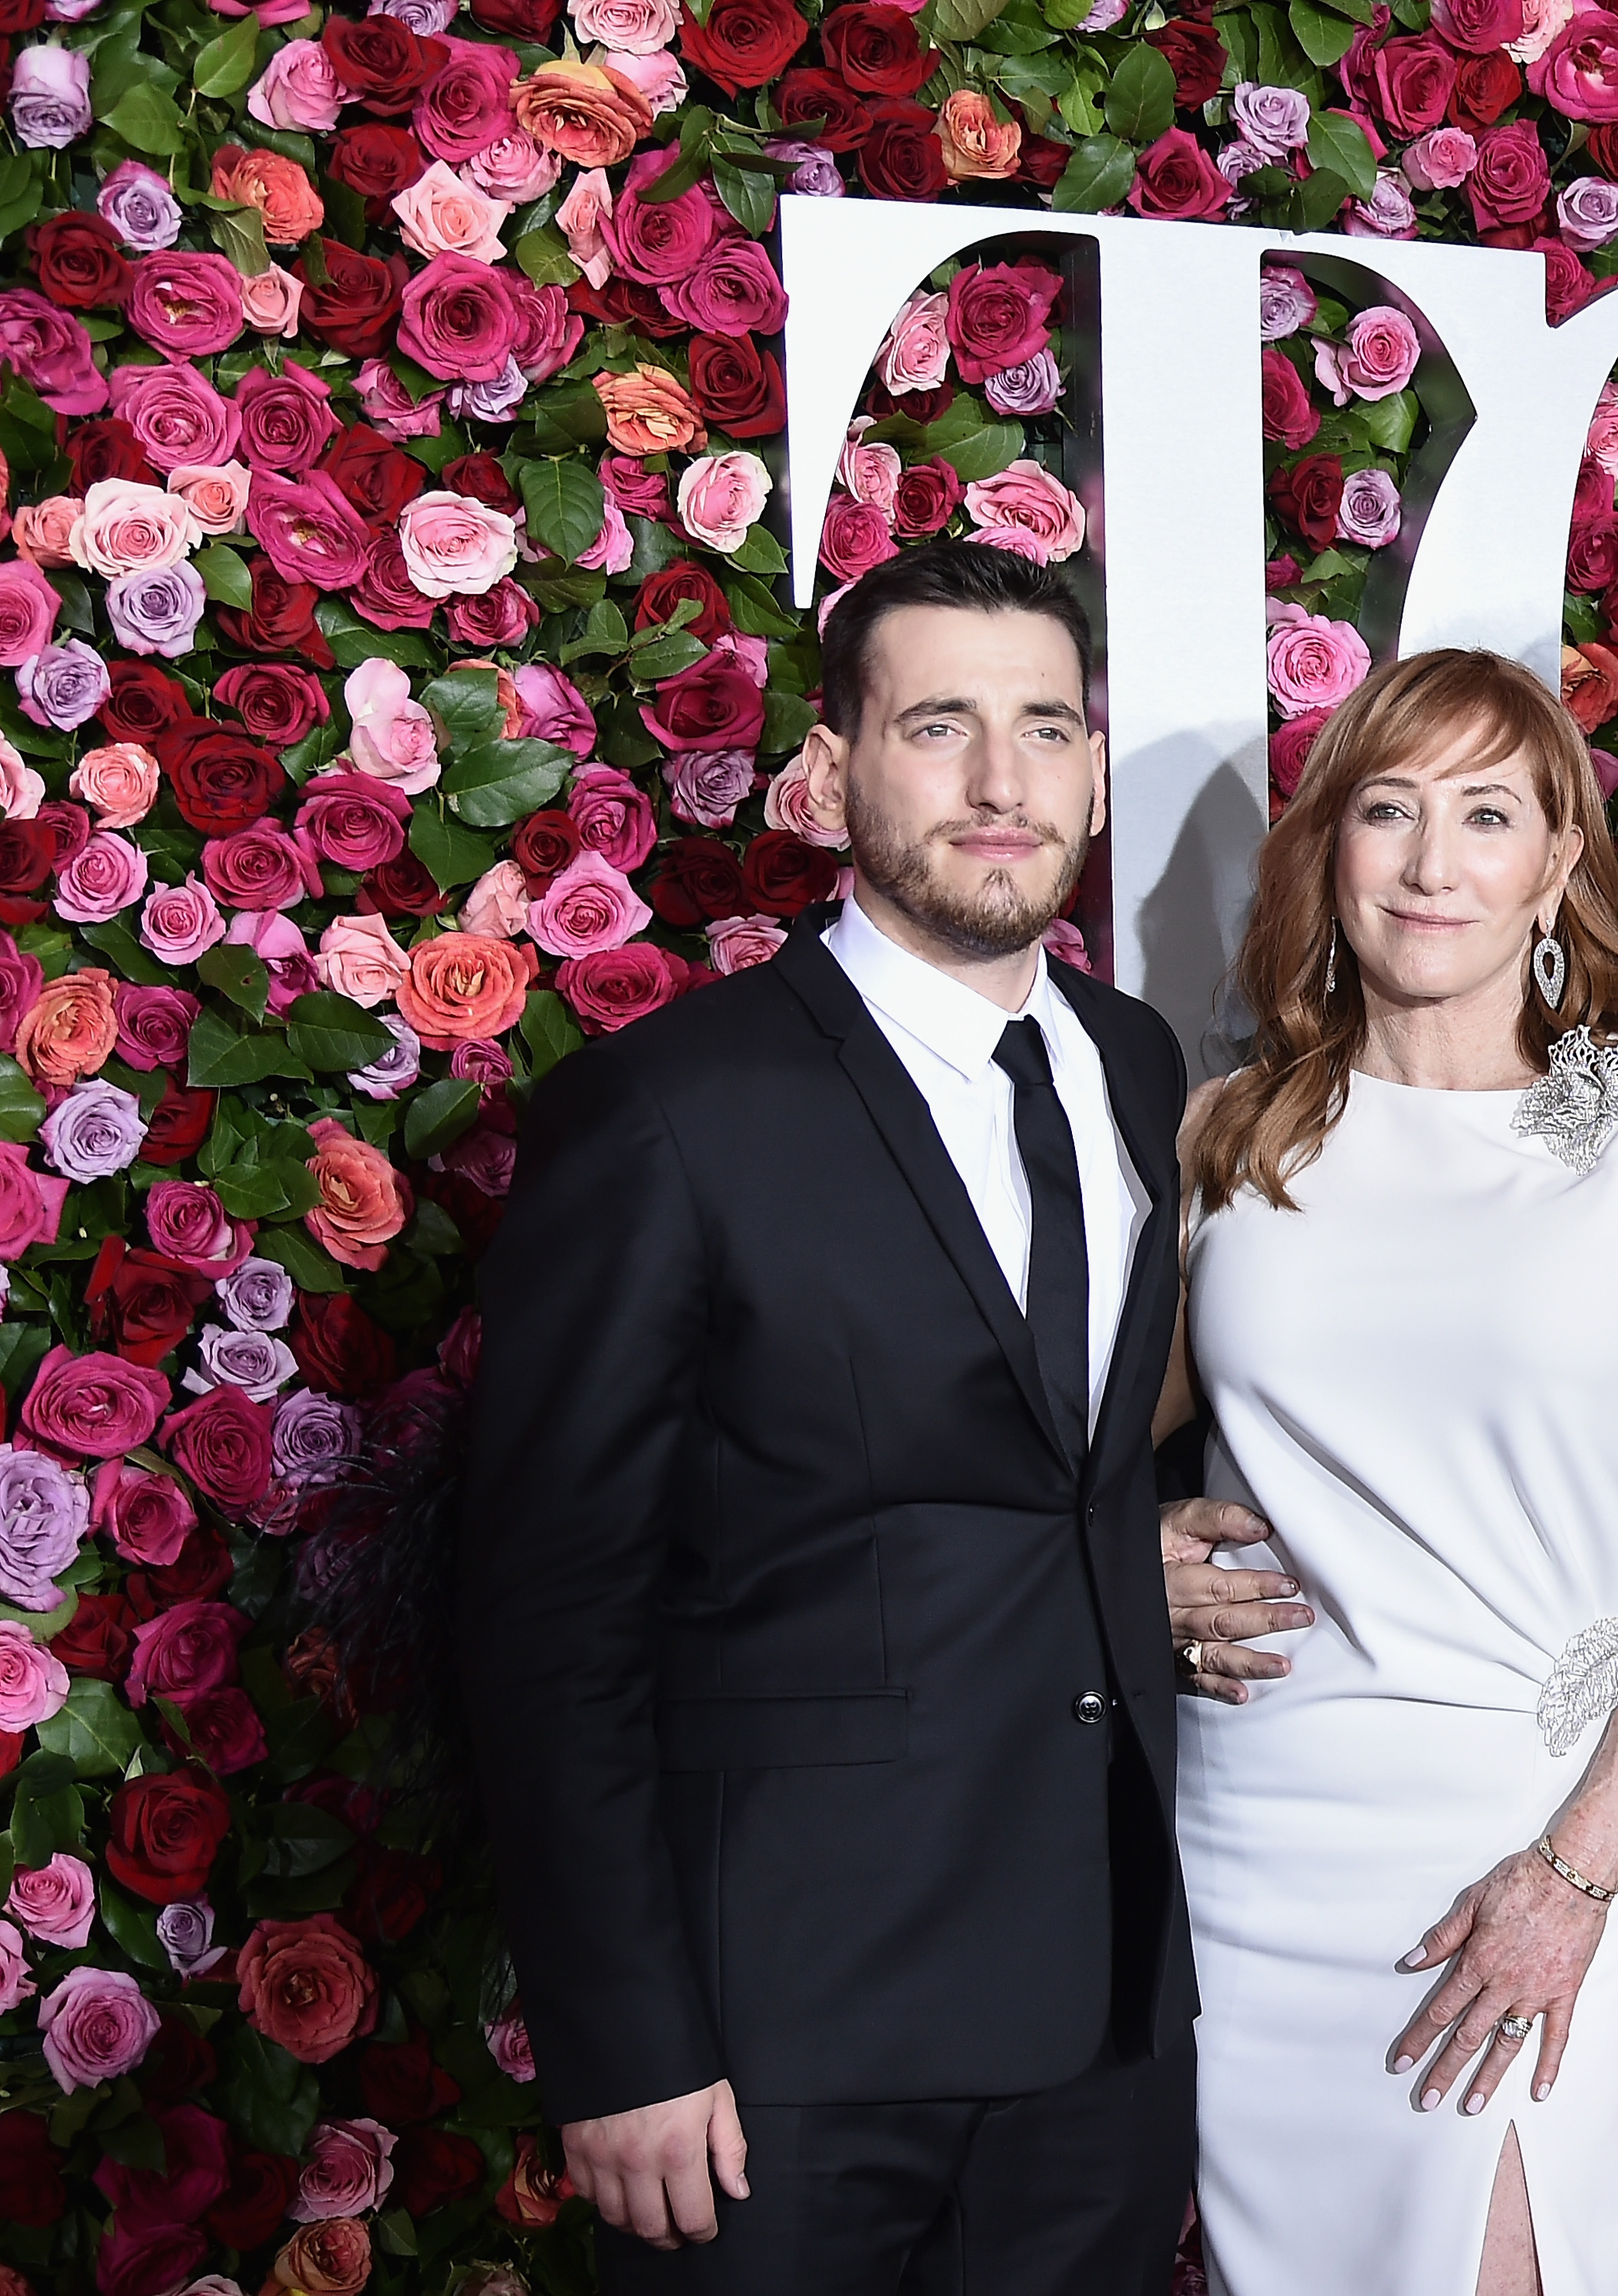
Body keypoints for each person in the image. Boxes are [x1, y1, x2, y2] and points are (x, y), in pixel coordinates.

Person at [459, 539, 1276, 2289]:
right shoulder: (671, 1111)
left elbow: (1038, 1467)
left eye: (1047, 728)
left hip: (1102, 2011)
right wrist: (628, 2040)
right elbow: (545, 1611)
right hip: (785, 2050)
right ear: (832, 770)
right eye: (940, 726)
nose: (1003, 784)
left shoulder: (1138, 1065)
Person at [1164, 646, 1618, 2296]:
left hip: (1533, 1829)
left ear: (1558, 863)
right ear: (1332, 848)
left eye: (1487, 814)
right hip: (1256, 1831)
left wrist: (1579, 1867)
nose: (1434, 864)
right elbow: (1064, 1459)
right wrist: (1133, 1549)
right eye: (1389, 810)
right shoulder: (1233, 1129)